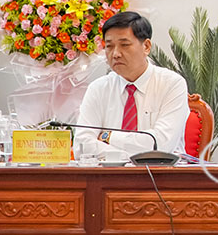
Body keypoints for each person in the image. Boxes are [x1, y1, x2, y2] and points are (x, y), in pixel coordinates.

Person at [76, 11, 189, 158]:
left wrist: (107, 136)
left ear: (146, 46)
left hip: (161, 171)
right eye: (109, 46)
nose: (115, 54)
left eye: (124, 45)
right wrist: (125, 157)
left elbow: (160, 145)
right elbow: (81, 146)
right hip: (108, 172)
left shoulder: (172, 84)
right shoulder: (98, 88)